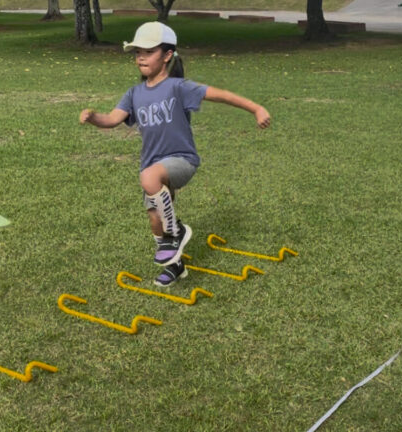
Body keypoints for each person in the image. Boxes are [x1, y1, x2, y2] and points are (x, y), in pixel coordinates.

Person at [79, 21, 271, 286]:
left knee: (149, 179)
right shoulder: (134, 94)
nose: (141, 57)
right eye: (137, 52)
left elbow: (222, 95)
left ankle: (177, 232)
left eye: (148, 51)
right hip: (153, 167)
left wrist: (256, 108)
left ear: (167, 55)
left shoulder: (179, 87)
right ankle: (175, 266)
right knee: (155, 221)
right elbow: (112, 119)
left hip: (181, 160)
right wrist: (93, 118)